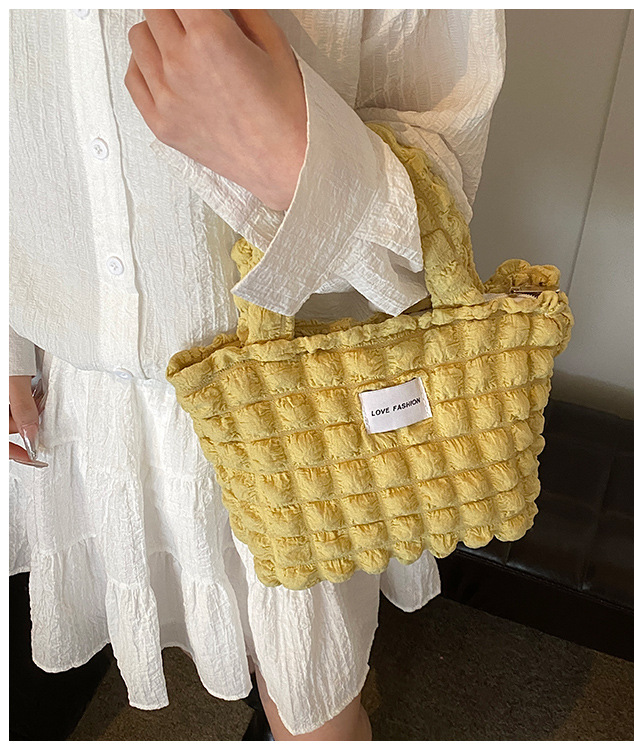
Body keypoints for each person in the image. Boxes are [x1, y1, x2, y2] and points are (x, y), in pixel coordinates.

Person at [9, 9, 506, 741]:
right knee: (247, 634)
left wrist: (286, 154)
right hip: (84, 382)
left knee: (310, 698)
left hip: (298, 402)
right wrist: (12, 347)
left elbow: (429, 227)